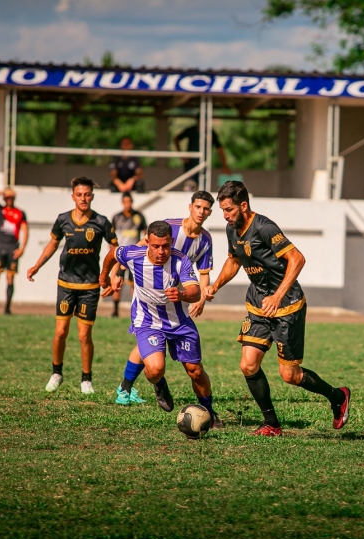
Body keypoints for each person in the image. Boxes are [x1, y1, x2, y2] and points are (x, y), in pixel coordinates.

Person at [203, 181, 350, 436]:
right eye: (223, 210)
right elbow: (234, 259)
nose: (225, 215)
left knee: (289, 375)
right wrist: (215, 285)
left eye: (229, 210)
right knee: (248, 365)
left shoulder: (264, 227)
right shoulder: (232, 229)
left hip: (287, 306)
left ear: (244, 205)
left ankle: (337, 396)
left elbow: (297, 258)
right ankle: (271, 423)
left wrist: (277, 296)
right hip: (258, 305)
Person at [111, 191, 220, 425]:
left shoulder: (204, 241)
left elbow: (203, 275)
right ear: (190, 207)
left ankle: (209, 412)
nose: (202, 212)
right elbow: (133, 251)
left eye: (206, 209)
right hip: (149, 302)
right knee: (152, 359)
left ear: (210, 212)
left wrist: (198, 297)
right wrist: (116, 273)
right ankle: (129, 387)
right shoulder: (168, 227)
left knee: (194, 369)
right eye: (198, 207)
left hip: (179, 304)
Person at [26, 177, 118, 394]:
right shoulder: (63, 220)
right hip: (66, 284)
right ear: (73, 196)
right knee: (60, 332)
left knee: (84, 336)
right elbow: (52, 244)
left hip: (89, 286)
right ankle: (56, 373)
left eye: (87, 194)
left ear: (92, 197)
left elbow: (116, 250)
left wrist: (115, 274)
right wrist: (37, 265)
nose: (83, 198)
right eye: (79, 194)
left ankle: (86, 379)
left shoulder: (102, 222)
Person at [0, 188, 28, 315]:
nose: (9, 200)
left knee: (10, 278)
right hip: (0, 247)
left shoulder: (20, 213)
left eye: (11, 198)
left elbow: (25, 231)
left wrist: (22, 248)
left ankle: (7, 309)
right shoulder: (0, 210)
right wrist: (4, 191)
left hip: (12, 248)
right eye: (7, 198)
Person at [110, 193, 147, 317]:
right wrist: (112, 251)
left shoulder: (139, 216)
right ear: (122, 202)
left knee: (134, 283)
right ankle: (115, 310)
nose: (127, 204)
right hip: (120, 254)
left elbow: (146, 234)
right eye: (125, 202)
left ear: (132, 202)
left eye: (129, 202)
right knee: (117, 281)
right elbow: (111, 236)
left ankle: (135, 311)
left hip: (134, 255)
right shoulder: (116, 217)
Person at [173, 113, 229, 188]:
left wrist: (224, 166)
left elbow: (220, 149)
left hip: (204, 165)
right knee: (189, 187)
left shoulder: (211, 133)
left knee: (202, 189)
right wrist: (182, 155)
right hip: (190, 164)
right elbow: (176, 139)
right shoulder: (191, 130)